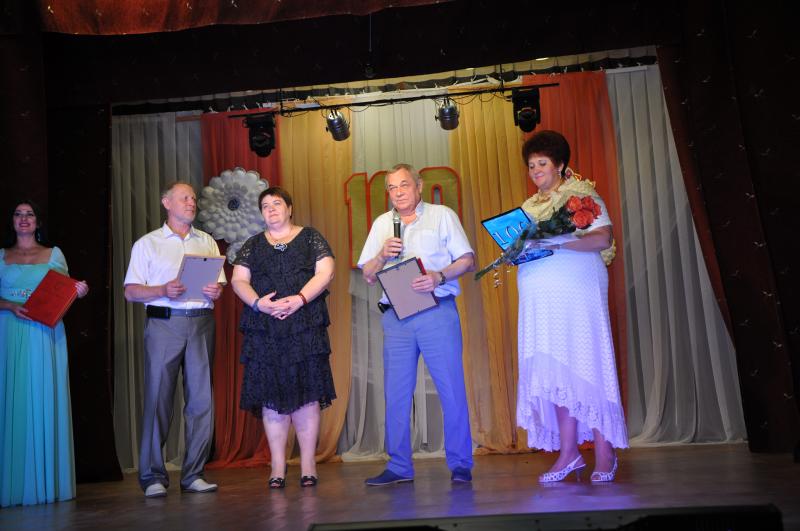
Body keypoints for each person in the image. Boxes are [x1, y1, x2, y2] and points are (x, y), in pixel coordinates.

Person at [515, 130, 628, 483]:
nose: (536, 170)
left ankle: (605, 451)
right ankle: (569, 453)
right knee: (557, 371)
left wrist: (559, 245)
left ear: (560, 165)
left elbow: (603, 237)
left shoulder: (581, 195)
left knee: (587, 364)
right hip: (539, 298)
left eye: (542, 163)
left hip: (576, 291)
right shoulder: (527, 208)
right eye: (531, 165)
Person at [359, 163, 475, 486]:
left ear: (419, 186)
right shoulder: (382, 223)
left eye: (404, 185)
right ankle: (399, 466)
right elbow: (368, 274)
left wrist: (438, 276)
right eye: (392, 188)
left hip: (436, 310)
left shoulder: (442, 215)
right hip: (396, 315)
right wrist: (381, 256)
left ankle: (461, 463)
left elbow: (467, 260)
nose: (398, 193)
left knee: (450, 387)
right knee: (396, 393)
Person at [123, 181, 226, 498]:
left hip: (201, 322)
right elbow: (131, 291)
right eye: (184, 198)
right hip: (164, 324)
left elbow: (219, 284)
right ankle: (152, 476)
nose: (191, 202)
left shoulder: (207, 241)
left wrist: (216, 290)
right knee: (158, 398)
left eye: (193, 198)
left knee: (201, 401)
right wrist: (162, 290)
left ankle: (193, 474)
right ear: (166, 202)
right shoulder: (148, 244)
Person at [231, 186, 336, 489]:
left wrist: (299, 299)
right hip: (266, 327)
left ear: (290, 208)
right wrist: (258, 303)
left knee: (307, 393)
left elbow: (325, 272)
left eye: (277, 204)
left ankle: (308, 465)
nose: (271, 209)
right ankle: (277, 466)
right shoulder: (253, 244)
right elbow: (238, 280)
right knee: (271, 396)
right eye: (265, 206)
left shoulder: (310, 237)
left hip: (304, 324)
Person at [0, 200, 89, 507]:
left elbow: (63, 291)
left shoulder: (54, 254)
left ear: (38, 222)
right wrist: (10, 305)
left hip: (43, 333)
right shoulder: (1, 255)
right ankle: (12, 485)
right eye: (18, 214)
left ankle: (47, 484)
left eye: (30, 214)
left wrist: (78, 291)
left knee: (42, 396)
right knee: (11, 398)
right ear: (12, 221)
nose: (24, 219)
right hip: (8, 332)